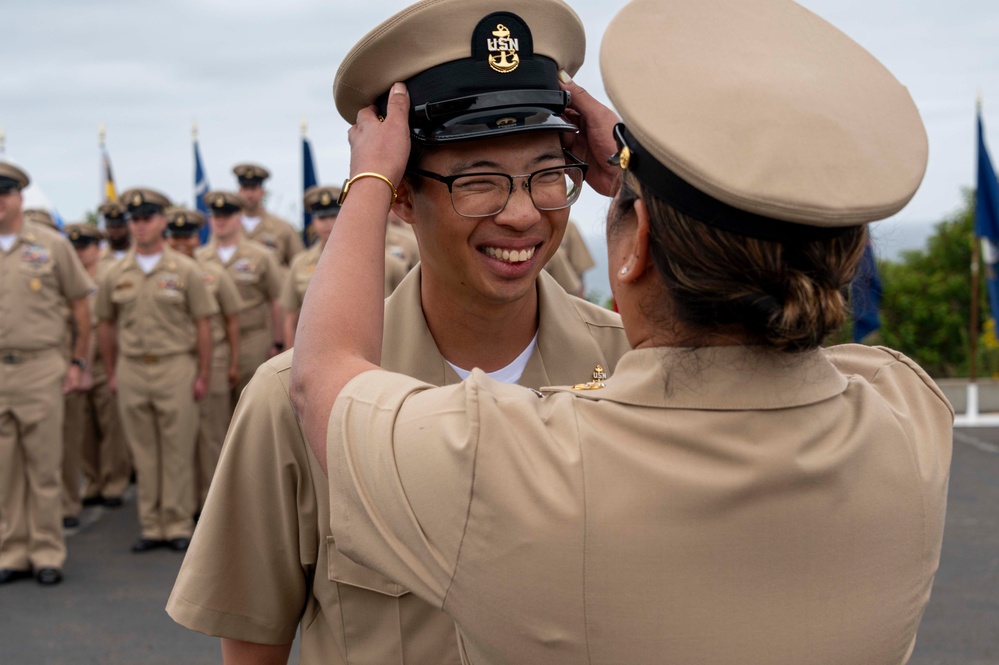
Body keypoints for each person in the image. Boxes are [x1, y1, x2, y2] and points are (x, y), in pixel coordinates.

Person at [289, 0, 954, 663]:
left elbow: (321, 374)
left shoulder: (513, 466)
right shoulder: (909, 416)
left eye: (549, 179)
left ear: (636, 246)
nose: (523, 211)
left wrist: (372, 175)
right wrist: (642, 175)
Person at [167, 1, 630, 662]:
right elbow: (253, 643)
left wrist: (639, 172)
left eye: (548, 176)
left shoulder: (635, 367)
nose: (524, 214)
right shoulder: (286, 401)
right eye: (478, 182)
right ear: (402, 197)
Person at [97, 188, 217, 553]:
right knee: (143, 452)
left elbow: (203, 324)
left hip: (175, 365)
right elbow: (105, 324)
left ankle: (177, 522)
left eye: (147, 218)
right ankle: (151, 525)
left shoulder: (185, 270)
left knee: (178, 448)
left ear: (162, 221)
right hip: (132, 367)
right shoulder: (115, 272)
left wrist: (203, 373)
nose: (140, 225)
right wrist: (112, 372)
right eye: (134, 219)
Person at [0, 162, 94, 586]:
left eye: (5, 191)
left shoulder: (52, 245)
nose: (0, 201)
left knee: (43, 465)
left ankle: (46, 551)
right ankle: (11, 551)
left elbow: (80, 308)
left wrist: (77, 363)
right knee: (4, 469)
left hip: (40, 366)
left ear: (20, 197)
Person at [164, 207, 244, 514]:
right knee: (181, 437)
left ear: (198, 237)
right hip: (178, 360)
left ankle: (213, 506)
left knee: (211, 434)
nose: (181, 243)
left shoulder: (213, 273)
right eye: (175, 236)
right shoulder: (165, 273)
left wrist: (234, 363)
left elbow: (232, 321)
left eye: (187, 236)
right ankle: (184, 504)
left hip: (216, 358)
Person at [61, 224, 131, 527]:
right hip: (75, 359)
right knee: (83, 428)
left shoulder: (110, 271)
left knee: (110, 425)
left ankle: (114, 482)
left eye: (86, 244)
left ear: (96, 245)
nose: (80, 251)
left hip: (105, 360)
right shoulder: (66, 271)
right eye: (75, 245)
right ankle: (91, 481)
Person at [281, 185, 408, 348]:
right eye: (322, 217)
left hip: (378, 349)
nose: (328, 223)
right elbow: (291, 316)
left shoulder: (386, 262)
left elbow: (406, 310)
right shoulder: (300, 264)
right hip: (318, 350)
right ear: (313, 221)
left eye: (334, 216)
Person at [195, 191, 283, 402]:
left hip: (251, 339)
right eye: (216, 216)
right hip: (215, 343)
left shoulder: (261, 256)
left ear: (239, 218)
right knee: (214, 412)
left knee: (250, 402)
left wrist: (278, 343)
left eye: (227, 215)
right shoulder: (198, 259)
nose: (221, 221)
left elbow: (276, 300)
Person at [233, 163, 304, 268]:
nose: (249, 194)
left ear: (262, 192)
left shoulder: (282, 228)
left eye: (253, 188)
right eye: (245, 188)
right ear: (239, 191)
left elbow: (300, 265)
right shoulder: (226, 228)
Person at [98, 200, 130, 266]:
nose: (115, 230)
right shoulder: (99, 258)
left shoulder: (140, 254)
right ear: (106, 228)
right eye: (111, 227)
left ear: (127, 227)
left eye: (119, 226)